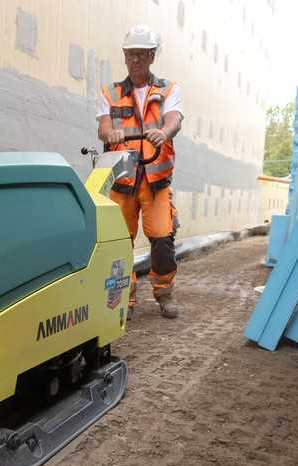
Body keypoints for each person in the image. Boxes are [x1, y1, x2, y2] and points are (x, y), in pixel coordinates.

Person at [97, 24, 184, 320]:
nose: (135, 59)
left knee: (162, 239)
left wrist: (164, 132)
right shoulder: (110, 92)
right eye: (130, 54)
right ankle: (125, 297)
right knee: (120, 242)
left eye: (141, 54)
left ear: (152, 56)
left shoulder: (168, 89)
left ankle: (164, 292)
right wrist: (110, 134)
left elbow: (174, 119)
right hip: (122, 180)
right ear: (124, 56)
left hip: (155, 180)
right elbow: (103, 127)